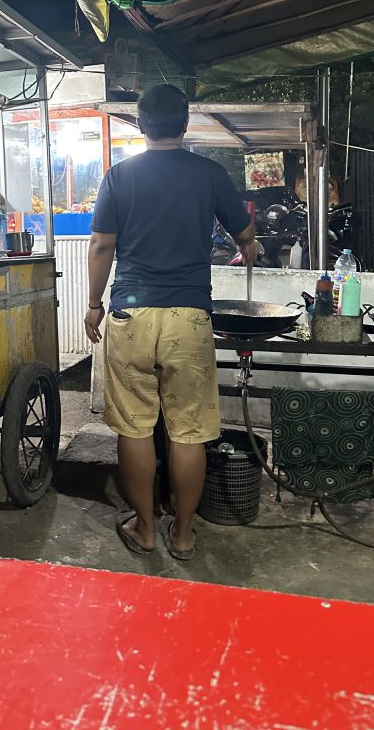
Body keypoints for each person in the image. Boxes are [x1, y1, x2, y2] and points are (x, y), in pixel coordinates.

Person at [84, 85, 259, 560]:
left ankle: (144, 528)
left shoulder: (119, 176)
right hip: (188, 318)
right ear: (185, 124)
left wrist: (94, 303)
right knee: (189, 431)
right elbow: (245, 233)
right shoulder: (209, 174)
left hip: (131, 314)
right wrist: (247, 244)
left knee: (135, 427)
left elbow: (101, 245)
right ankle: (182, 534)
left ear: (142, 125)